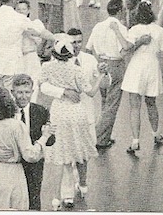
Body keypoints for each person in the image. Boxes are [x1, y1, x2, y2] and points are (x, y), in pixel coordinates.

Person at [40, 34, 97, 210]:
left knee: (64, 153)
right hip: (76, 112)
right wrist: (100, 75)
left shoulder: (47, 67)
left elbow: (41, 86)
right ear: (71, 54)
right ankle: (83, 184)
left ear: (55, 54)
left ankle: (66, 195)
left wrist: (60, 92)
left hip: (59, 111)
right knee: (80, 149)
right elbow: (91, 92)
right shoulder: (76, 70)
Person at [86, 0, 151, 149]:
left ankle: (104, 134)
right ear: (121, 10)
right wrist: (140, 41)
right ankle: (99, 137)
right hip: (115, 65)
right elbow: (125, 50)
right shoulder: (120, 28)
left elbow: (89, 47)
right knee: (112, 104)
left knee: (104, 101)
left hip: (100, 63)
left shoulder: (98, 26)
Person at [120, 1, 163, 153]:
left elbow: (128, 50)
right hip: (152, 67)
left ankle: (135, 141)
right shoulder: (160, 31)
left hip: (136, 68)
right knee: (151, 103)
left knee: (135, 106)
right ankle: (156, 134)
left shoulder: (134, 30)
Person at [12, 74, 53, 211]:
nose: (23, 96)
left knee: (34, 198)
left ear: (32, 92)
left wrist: (48, 133)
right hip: (14, 163)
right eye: (19, 92)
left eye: (27, 92)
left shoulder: (41, 111)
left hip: (34, 164)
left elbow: (51, 141)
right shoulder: (8, 112)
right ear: (13, 92)